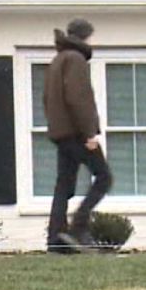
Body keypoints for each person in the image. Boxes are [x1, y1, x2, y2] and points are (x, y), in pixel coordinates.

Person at [43, 18, 114, 253]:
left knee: (63, 184)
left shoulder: (57, 60)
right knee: (103, 177)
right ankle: (78, 227)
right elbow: (78, 98)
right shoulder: (75, 59)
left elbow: (47, 99)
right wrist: (89, 133)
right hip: (76, 132)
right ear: (85, 36)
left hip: (61, 133)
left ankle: (56, 239)